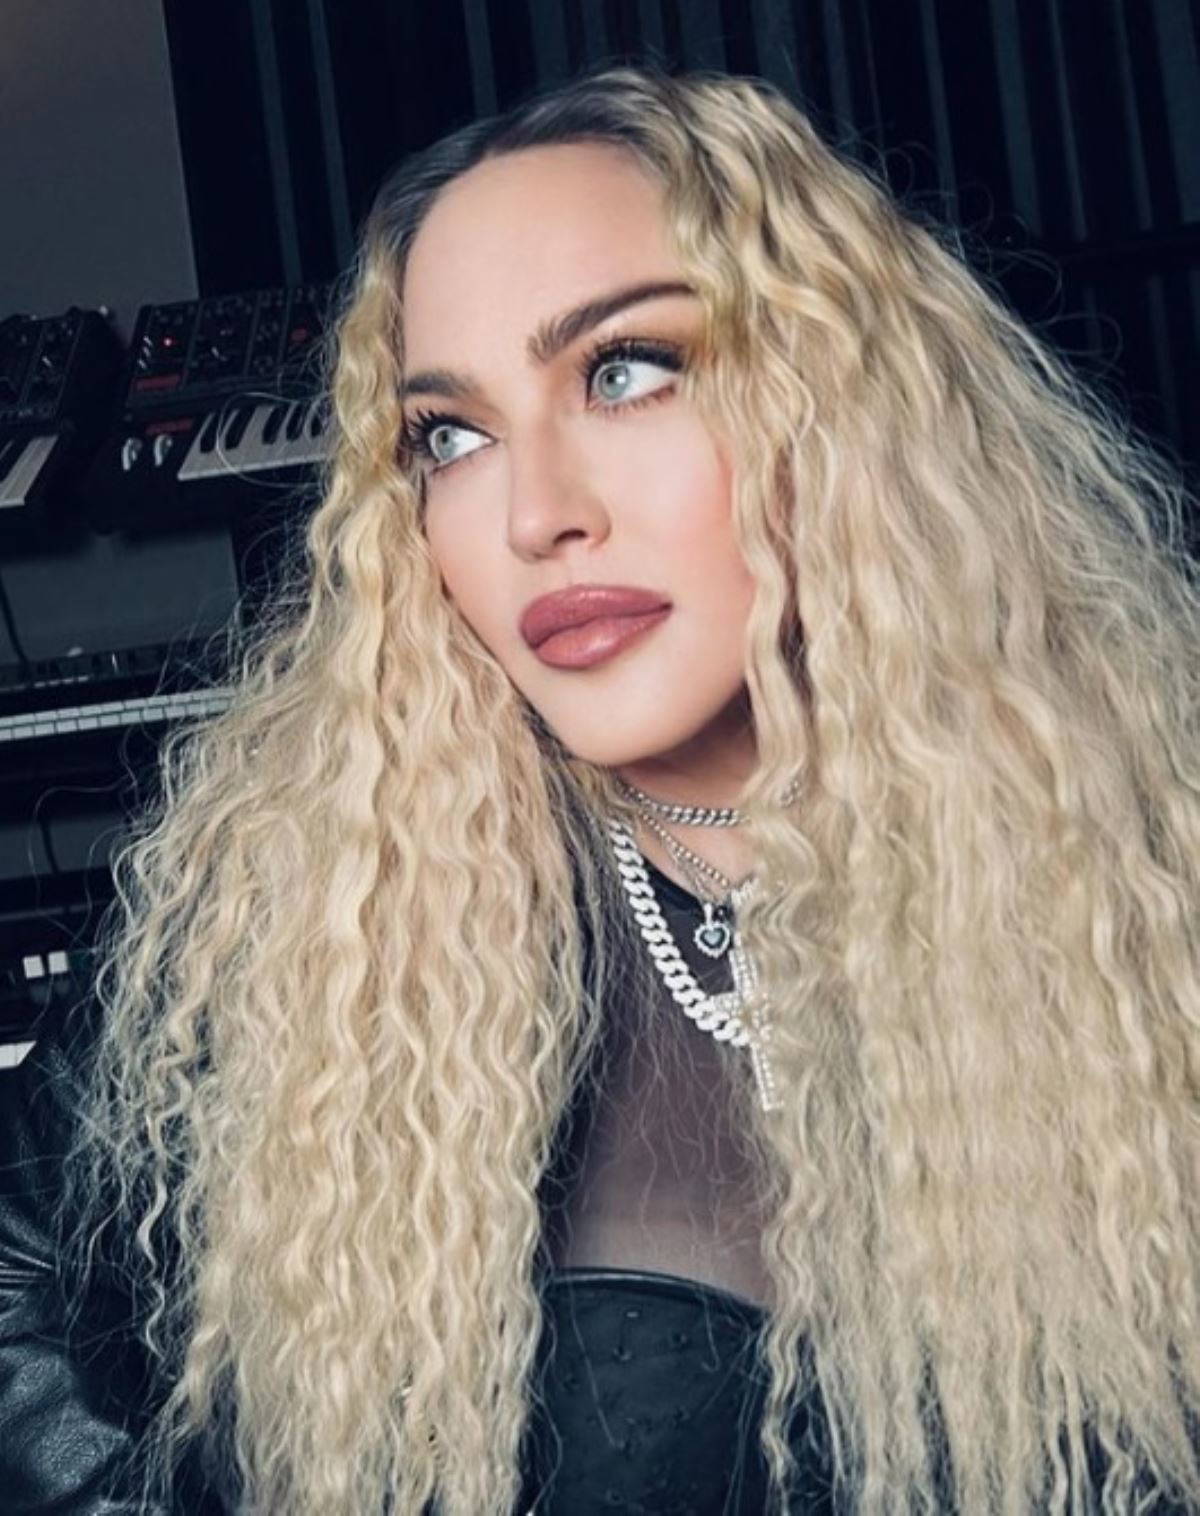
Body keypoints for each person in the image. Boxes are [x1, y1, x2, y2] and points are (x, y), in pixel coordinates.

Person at [3, 60, 1200, 1516]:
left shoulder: (1146, 872)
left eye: (624, 369)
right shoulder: (326, 905)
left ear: (841, 402)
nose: (536, 515)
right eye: (451, 435)